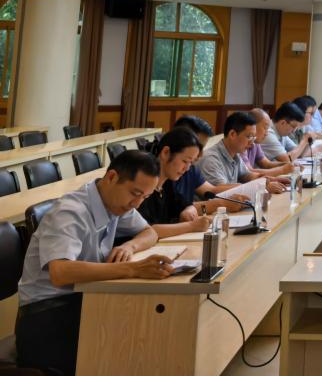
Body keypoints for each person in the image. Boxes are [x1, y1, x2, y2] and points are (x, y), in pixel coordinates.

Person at [16, 151, 174, 374]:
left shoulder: (115, 202)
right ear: (112, 177)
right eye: (135, 193)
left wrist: (129, 247)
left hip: (82, 300)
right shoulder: (70, 212)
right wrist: (133, 269)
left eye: (145, 198)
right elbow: (60, 272)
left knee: (145, 329)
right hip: (47, 315)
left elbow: (150, 233)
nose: (137, 204)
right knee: (128, 344)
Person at [136, 127, 212, 239]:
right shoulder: (142, 184)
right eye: (185, 161)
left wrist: (189, 209)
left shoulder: (168, 183)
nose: (187, 168)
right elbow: (147, 230)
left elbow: (186, 205)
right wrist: (191, 226)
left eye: (190, 163)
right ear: (166, 152)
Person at [171, 116, 248, 211]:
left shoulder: (191, 168)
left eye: (202, 148)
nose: (201, 154)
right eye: (198, 147)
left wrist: (246, 189)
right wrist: (220, 204)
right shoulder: (166, 172)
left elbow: (211, 190)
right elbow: (176, 210)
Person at [198, 112, 286, 193]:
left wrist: (268, 180)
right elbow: (221, 191)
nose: (252, 143)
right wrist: (261, 187)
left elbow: (246, 175)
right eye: (249, 137)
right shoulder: (211, 159)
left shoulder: (235, 153)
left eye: (253, 137)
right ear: (232, 134)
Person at [245, 109, 299, 177]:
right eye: (265, 128)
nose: (266, 133)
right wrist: (282, 170)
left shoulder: (255, 143)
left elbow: (267, 164)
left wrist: (287, 165)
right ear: (253, 125)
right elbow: (248, 172)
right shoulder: (242, 143)